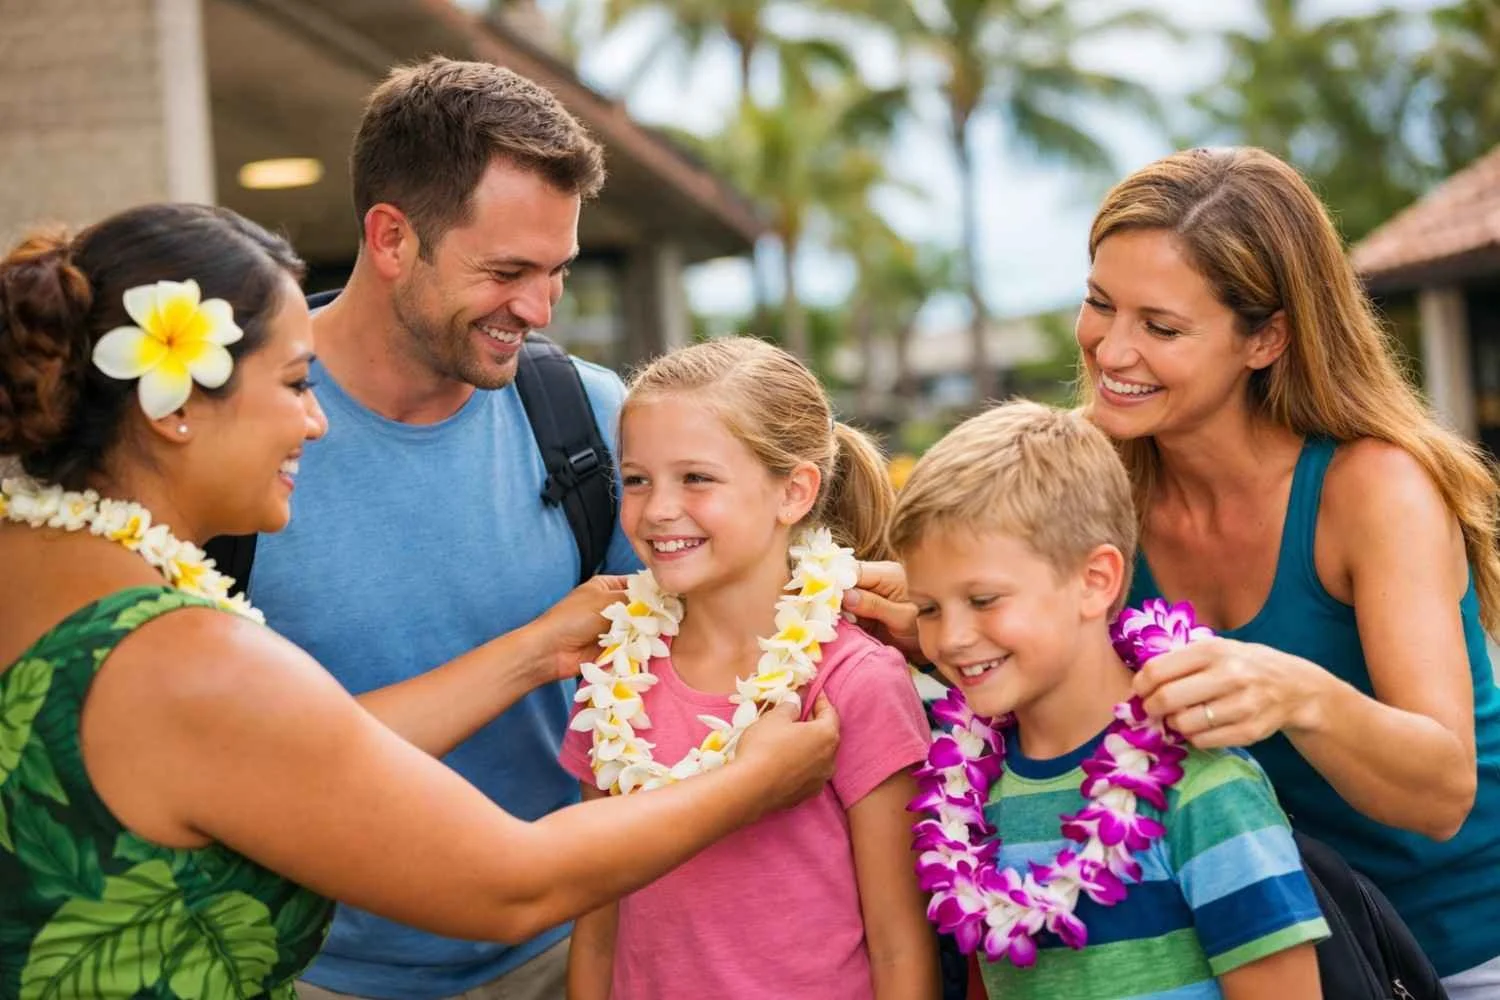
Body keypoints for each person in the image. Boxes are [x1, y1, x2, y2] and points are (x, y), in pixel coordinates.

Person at [0, 203, 840, 1000]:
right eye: (296, 382)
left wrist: (537, 650)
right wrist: (757, 778)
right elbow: (511, 885)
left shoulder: (34, 565)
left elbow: (305, 754)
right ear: (178, 406)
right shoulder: (184, 659)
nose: (315, 421)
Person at [846, 146, 1500, 997]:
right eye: (1098, 304)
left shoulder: (1375, 488)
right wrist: (934, 616)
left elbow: (1443, 790)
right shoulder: (1096, 469)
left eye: (1160, 327)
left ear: (1265, 338)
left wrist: (1297, 694)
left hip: (1453, 945)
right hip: (1231, 932)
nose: (1112, 350)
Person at [234, 57, 646, 1000]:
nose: (537, 312)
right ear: (390, 238)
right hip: (311, 975)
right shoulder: (242, 436)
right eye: (505, 271)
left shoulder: (586, 416)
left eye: (557, 274)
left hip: (566, 955)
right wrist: (534, 649)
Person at [890, 400, 1328, 998]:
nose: (952, 637)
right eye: (929, 609)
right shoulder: (966, 797)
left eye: (985, 600)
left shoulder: (1203, 786)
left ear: (1095, 581)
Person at [560, 337, 939, 1000]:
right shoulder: (614, 676)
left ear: (792, 492)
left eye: (696, 478)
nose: (657, 509)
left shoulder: (853, 680)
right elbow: (596, 930)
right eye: (638, 478)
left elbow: (901, 946)